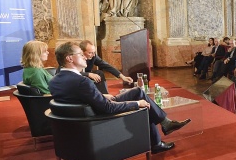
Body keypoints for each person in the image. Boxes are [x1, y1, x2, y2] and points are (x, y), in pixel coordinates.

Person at [48, 41, 189, 153]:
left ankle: (165, 123)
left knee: (137, 92)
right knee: (143, 103)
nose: (85, 57)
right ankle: (159, 138)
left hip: (87, 114)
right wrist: (136, 104)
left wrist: (100, 95)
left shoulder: (54, 80)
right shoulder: (82, 81)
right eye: (81, 54)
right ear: (69, 58)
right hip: (99, 119)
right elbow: (107, 108)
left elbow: (76, 97)